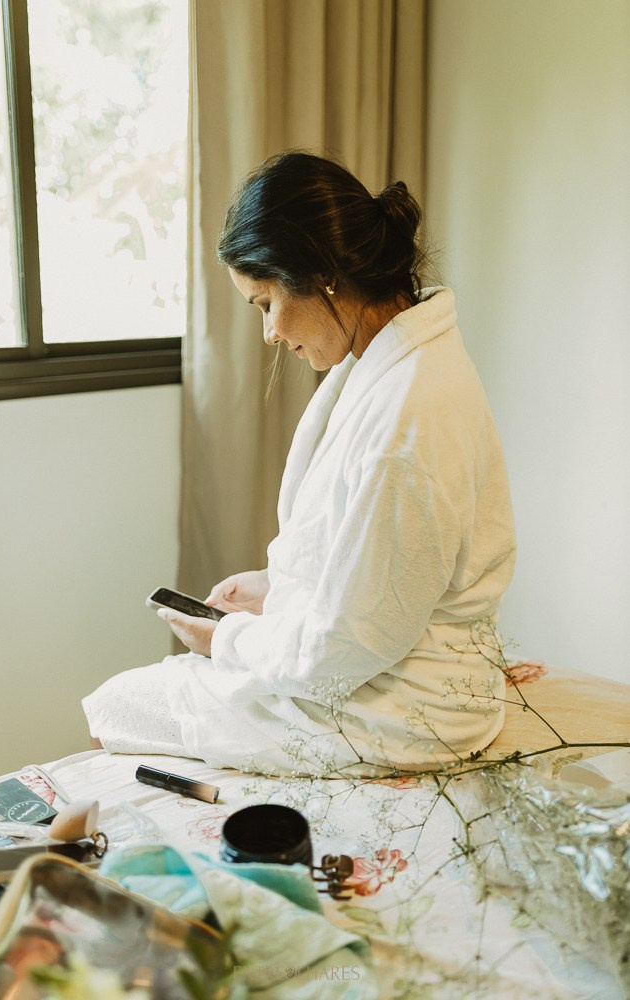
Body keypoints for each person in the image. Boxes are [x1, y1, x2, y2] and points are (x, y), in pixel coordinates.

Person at [83, 151, 516, 776]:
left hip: (409, 704)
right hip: (399, 666)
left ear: (323, 276)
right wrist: (274, 586)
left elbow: (351, 640)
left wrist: (225, 640)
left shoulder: (406, 417)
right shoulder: (392, 360)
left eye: (264, 304)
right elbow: (378, 554)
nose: (269, 335)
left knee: (114, 708)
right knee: (137, 700)